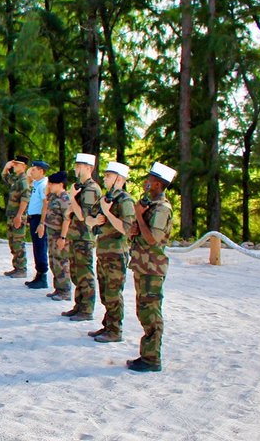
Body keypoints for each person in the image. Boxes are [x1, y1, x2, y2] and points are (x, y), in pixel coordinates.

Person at [127, 162, 176, 372]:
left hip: (152, 267)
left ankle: (152, 358)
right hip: (142, 264)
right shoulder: (150, 206)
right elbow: (135, 233)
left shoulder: (162, 209)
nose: (145, 183)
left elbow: (153, 239)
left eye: (149, 180)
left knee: (151, 312)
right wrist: (136, 222)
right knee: (143, 310)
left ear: (157, 184)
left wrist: (138, 214)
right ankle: (147, 354)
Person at [88, 161, 136, 343]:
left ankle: (115, 330)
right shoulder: (105, 199)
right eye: (106, 175)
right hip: (103, 252)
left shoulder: (125, 201)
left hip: (117, 253)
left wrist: (108, 214)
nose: (105, 178)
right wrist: (94, 221)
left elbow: (127, 229)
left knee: (114, 293)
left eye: (109, 175)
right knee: (105, 292)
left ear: (120, 179)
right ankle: (108, 325)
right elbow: (89, 219)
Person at [61, 153, 102, 321]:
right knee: (76, 272)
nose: (76, 169)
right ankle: (79, 305)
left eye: (80, 166)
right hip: (76, 235)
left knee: (85, 273)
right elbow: (71, 212)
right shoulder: (80, 187)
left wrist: (72, 198)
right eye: (76, 165)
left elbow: (84, 216)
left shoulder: (91, 189)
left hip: (84, 236)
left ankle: (87, 309)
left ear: (89, 168)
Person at [17, 160, 49, 288]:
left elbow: (45, 204)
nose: (32, 172)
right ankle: (39, 274)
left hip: (39, 219)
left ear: (41, 171)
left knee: (40, 246)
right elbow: (29, 179)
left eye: (34, 169)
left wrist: (42, 222)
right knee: (36, 246)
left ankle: (42, 276)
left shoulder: (43, 185)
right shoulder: (37, 183)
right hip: (34, 218)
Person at [41, 170, 72, 300]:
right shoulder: (53, 196)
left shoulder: (65, 199)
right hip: (51, 233)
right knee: (53, 261)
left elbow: (67, 219)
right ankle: (58, 288)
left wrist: (63, 237)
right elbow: (45, 198)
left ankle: (65, 291)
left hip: (59, 234)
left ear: (60, 184)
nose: (49, 186)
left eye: (52, 184)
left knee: (61, 262)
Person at [1, 155, 30, 278]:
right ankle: (16, 267)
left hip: (18, 216)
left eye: (17, 164)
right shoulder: (16, 179)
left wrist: (19, 215)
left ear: (24, 166)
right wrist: (6, 168)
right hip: (12, 215)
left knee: (18, 242)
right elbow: (5, 177)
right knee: (12, 242)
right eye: (15, 164)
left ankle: (22, 269)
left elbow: (25, 198)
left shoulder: (23, 180)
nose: (15, 166)